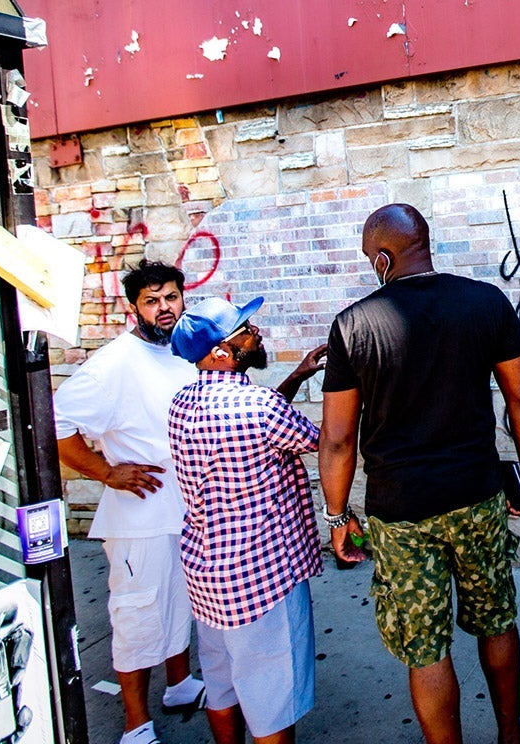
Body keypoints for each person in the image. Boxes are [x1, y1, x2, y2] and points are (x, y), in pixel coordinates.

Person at [318, 203, 520, 744]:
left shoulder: (352, 325)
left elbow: (337, 438)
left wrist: (336, 515)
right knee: (496, 619)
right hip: (476, 493)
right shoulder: (485, 301)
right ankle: (511, 735)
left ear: (381, 259)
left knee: (425, 649)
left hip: (400, 510)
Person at [54, 260, 205, 744]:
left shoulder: (182, 350)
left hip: (186, 511)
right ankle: (135, 725)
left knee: (181, 603)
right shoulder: (113, 364)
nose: (164, 308)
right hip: (140, 516)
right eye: (152, 300)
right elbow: (55, 423)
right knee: (138, 616)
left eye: (171, 298)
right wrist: (105, 472)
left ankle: (180, 685)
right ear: (134, 306)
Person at [167, 296, 329, 744]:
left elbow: (255, 426)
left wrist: (296, 376)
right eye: (244, 329)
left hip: (210, 577)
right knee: (272, 698)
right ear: (221, 351)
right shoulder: (257, 406)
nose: (255, 332)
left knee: (222, 685)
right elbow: (322, 442)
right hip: (264, 578)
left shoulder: (182, 403)